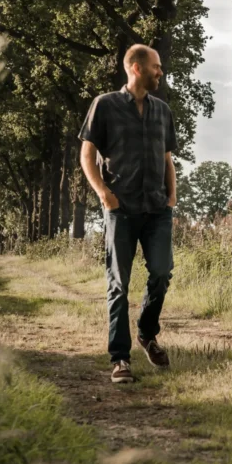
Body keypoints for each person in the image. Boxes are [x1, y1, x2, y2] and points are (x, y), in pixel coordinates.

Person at [79, 44, 177, 382]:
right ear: (136, 67)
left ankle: (147, 334)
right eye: (156, 66)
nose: (160, 72)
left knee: (162, 273)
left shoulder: (162, 110)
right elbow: (86, 155)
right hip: (121, 209)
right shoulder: (104, 105)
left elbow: (167, 158)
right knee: (119, 284)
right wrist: (104, 194)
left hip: (157, 208)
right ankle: (120, 359)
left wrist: (172, 197)